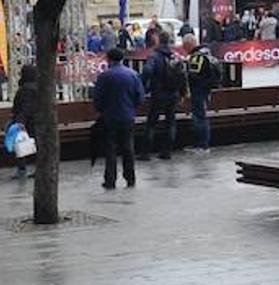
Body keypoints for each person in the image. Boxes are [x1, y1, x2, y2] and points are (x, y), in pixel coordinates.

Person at [93, 47, 145, 189]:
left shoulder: (105, 76)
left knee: (110, 149)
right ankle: (130, 178)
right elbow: (140, 97)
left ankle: (110, 180)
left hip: (109, 117)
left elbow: (97, 98)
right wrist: (132, 109)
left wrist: (101, 110)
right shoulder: (133, 75)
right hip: (128, 116)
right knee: (128, 147)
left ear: (109, 59)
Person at [140, 31, 183, 160]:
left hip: (158, 93)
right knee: (170, 122)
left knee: (151, 123)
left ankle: (146, 153)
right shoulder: (174, 56)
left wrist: (144, 85)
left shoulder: (155, 56)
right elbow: (182, 75)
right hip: (173, 93)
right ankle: (167, 151)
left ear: (158, 40)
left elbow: (147, 70)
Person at [184, 34, 220, 154]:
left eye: (185, 46)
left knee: (200, 118)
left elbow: (193, 75)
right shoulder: (207, 53)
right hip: (206, 90)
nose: (184, 49)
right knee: (201, 117)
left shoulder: (197, 57)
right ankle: (200, 144)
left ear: (189, 45)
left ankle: (202, 146)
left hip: (199, 91)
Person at [9, 64, 38, 179]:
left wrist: (20, 121)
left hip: (26, 122)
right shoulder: (37, 87)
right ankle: (38, 167)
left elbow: (25, 107)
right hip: (36, 121)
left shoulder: (26, 89)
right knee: (36, 145)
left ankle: (22, 169)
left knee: (19, 144)